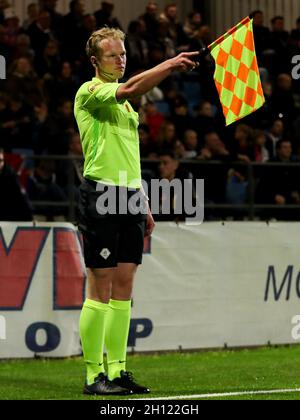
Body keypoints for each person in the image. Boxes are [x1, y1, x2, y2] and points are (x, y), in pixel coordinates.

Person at [74, 27, 199, 396]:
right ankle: (93, 375)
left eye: (124, 53)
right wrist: (173, 63)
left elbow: (130, 156)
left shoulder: (127, 107)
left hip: (128, 196)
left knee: (124, 287)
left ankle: (117, 371)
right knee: (99, 286)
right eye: (113, 55)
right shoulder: (91, 91)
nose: (121, 59)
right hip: (100, 194)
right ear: (96, 61)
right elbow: (130, 88)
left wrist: (142, 201)